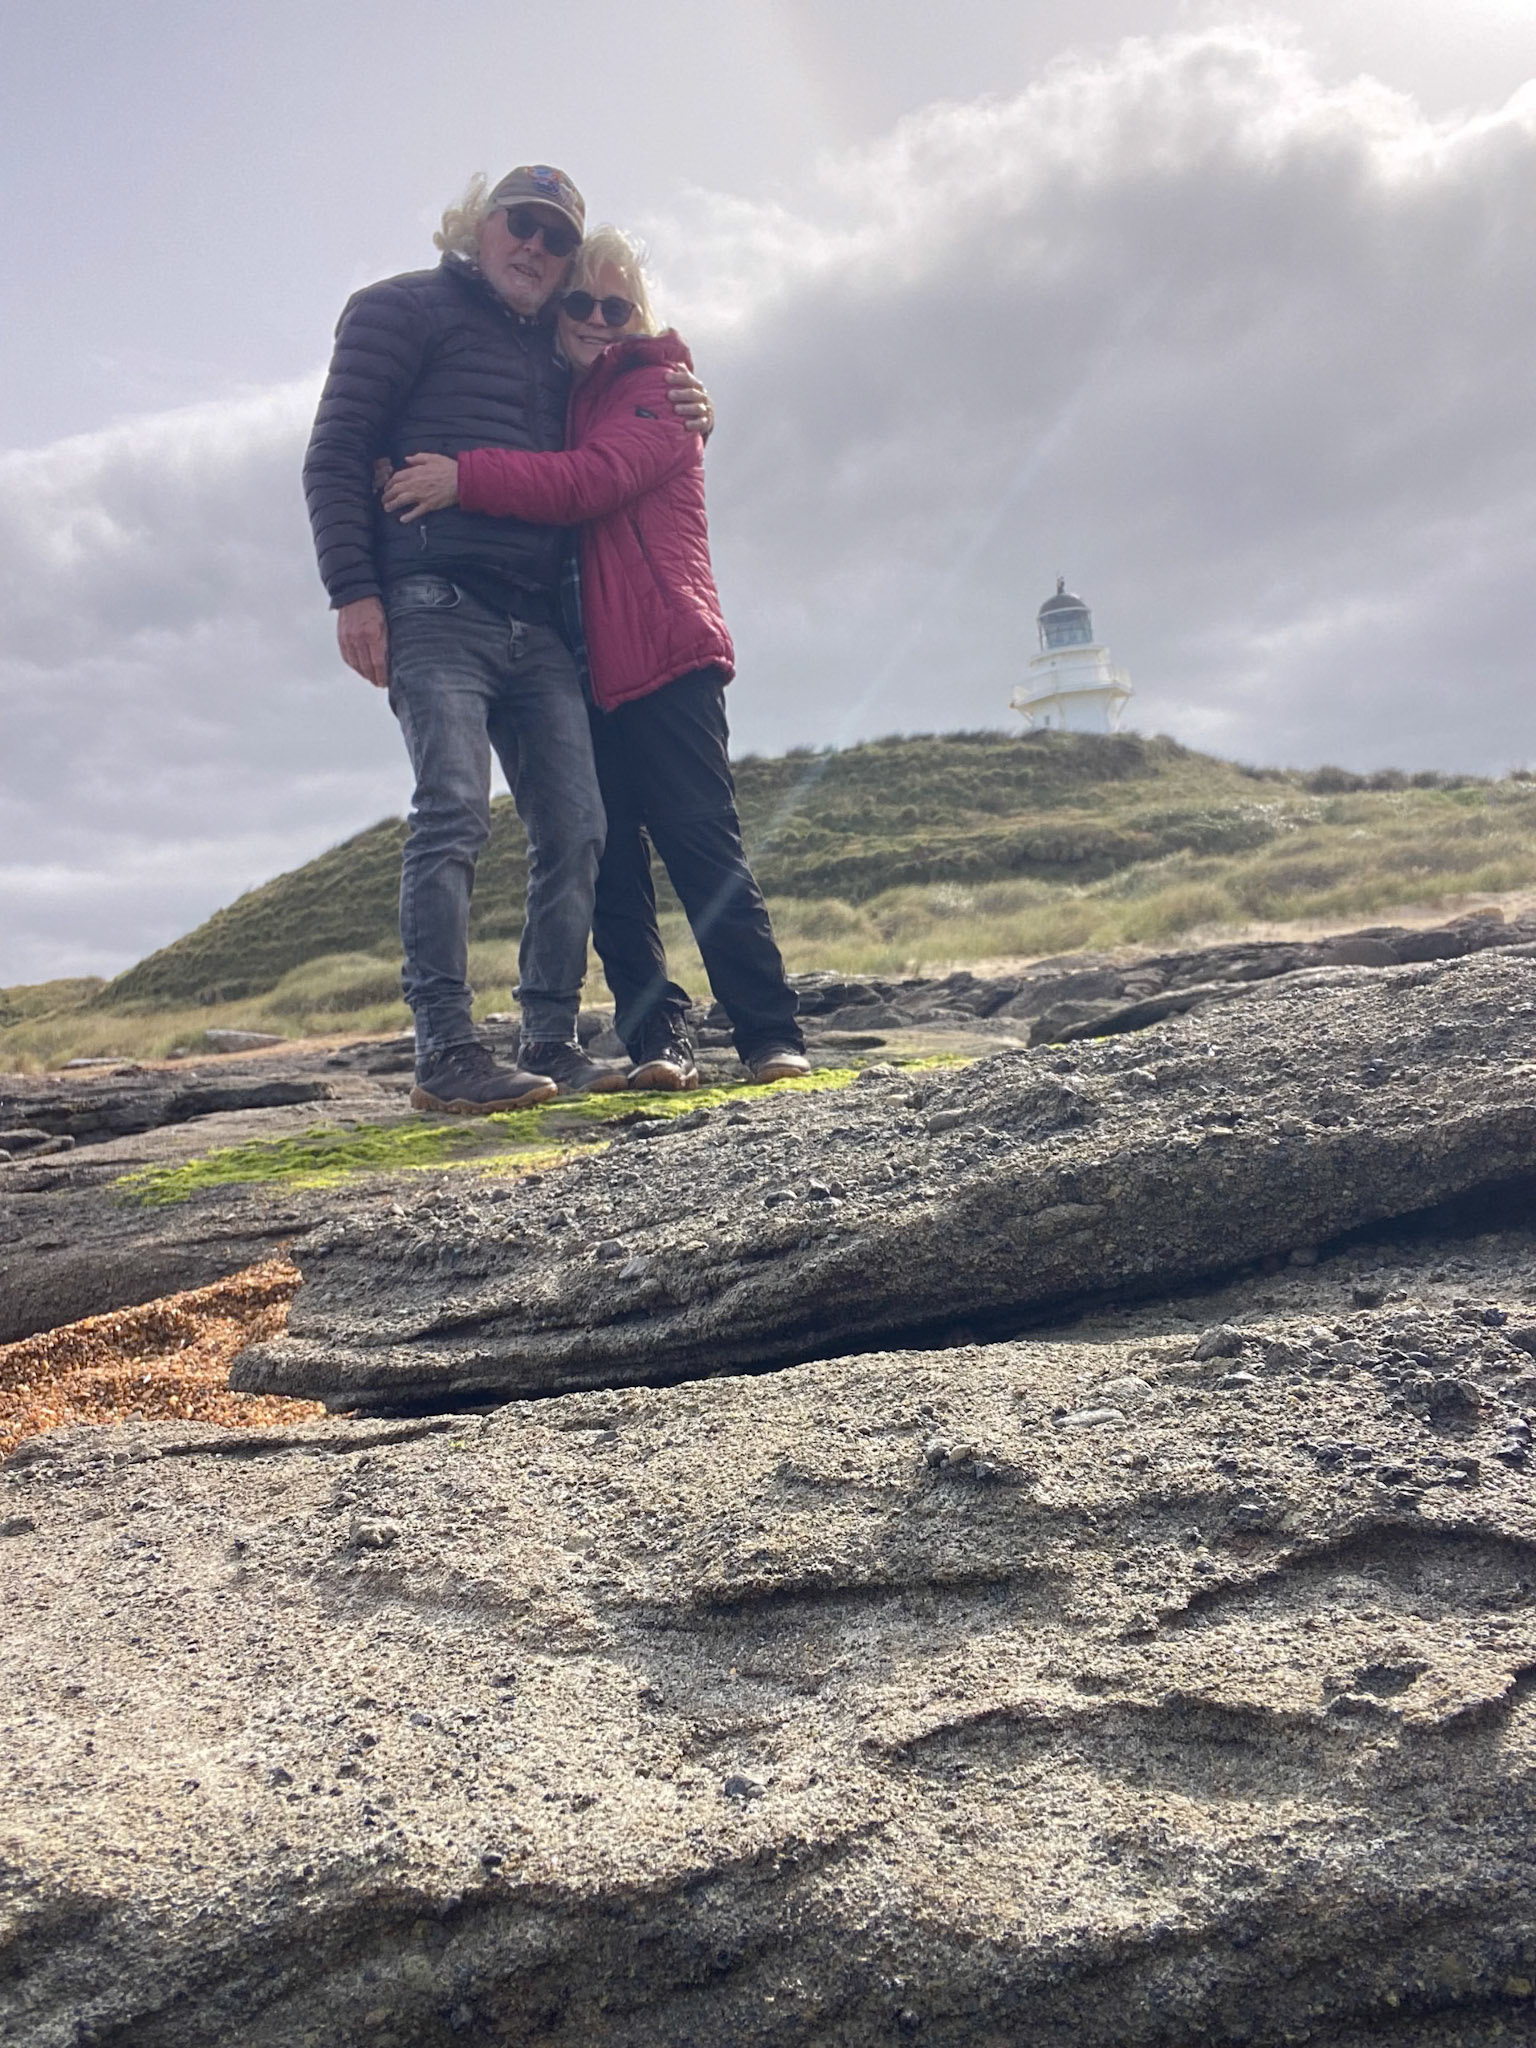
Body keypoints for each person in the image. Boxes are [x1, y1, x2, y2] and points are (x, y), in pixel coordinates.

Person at [303, 168, 712, 1114]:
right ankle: (446, 1052)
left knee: (579, 828)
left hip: (541, 625)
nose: (535, 246)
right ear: (477, 227)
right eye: (520, 224)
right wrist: (353, 593)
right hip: (432, 600)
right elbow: (336, 450)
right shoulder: (399, 309)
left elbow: (626, 422)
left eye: (556, 237)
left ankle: (549, 1040)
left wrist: (699, 404)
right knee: (452, 811)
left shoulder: (563, 347)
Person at [382, 227, 809, 1091]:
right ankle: (658, 1039)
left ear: (639, 319)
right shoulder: (556, 398)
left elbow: (592, 480)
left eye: (618, 307)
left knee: (700, 843)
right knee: (607, 864)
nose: (597, 319)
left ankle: (769, 1032)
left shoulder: (657, 388)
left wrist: (465, 477)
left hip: (665, 651)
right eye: (580, 301)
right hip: (580, 665)